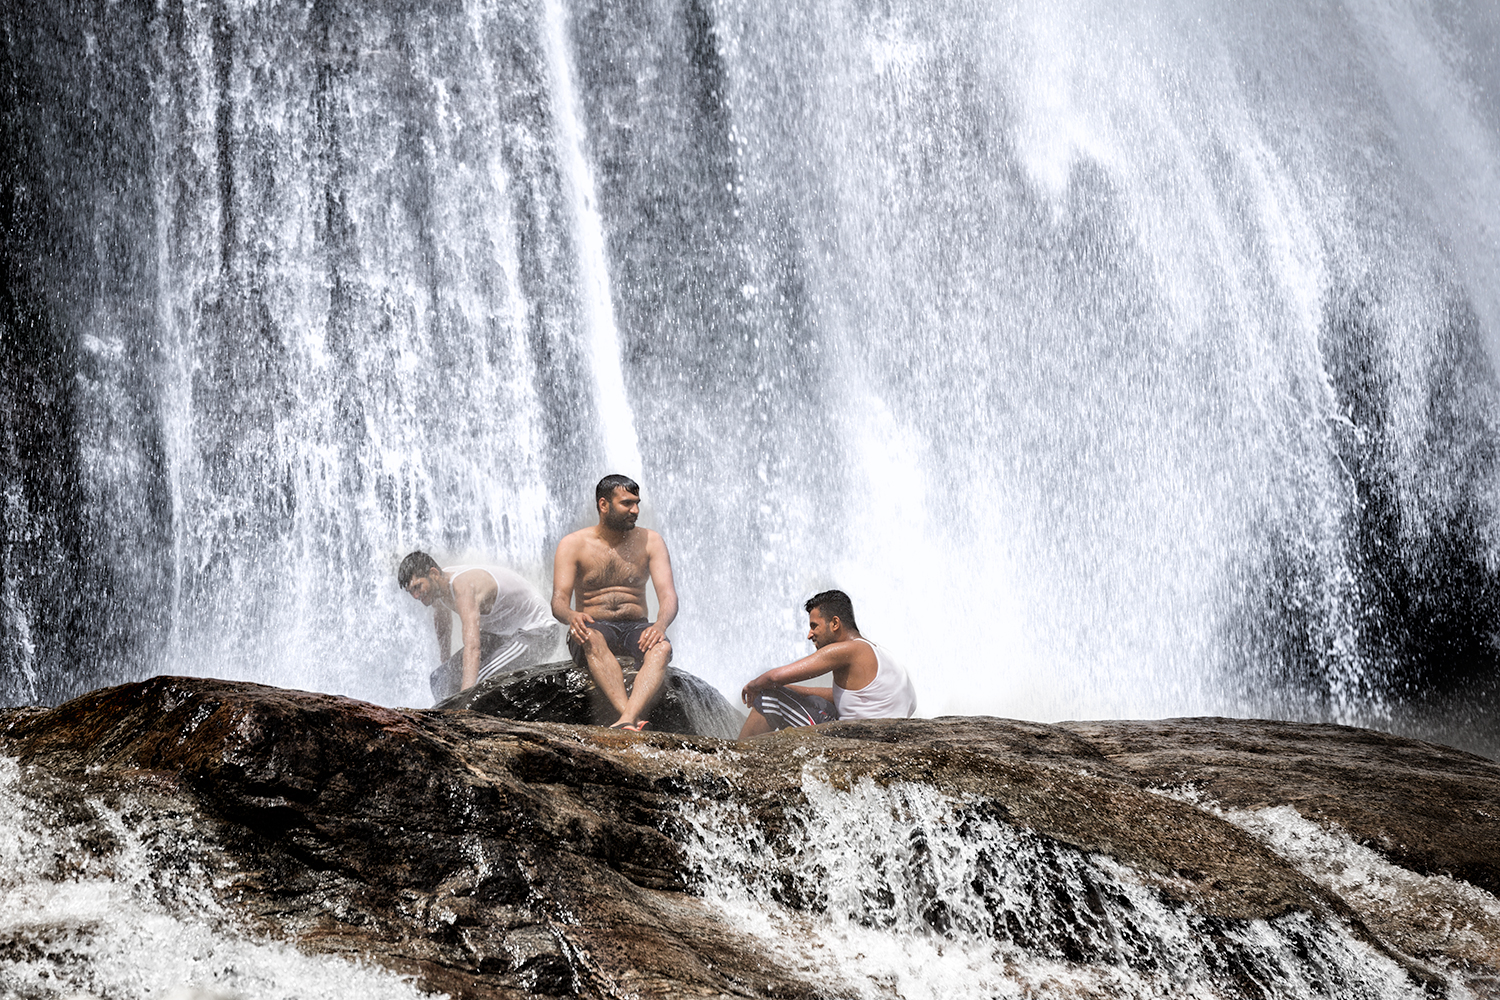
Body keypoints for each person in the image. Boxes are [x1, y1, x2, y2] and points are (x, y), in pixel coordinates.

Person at [551, 474, 678, 730]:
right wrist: (571, 616)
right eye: (627, 504)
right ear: (603, 505)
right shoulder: (573, 544)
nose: (636, 510)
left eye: (637, 503)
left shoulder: (650, 541)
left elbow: (668, 596)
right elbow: (558, 601)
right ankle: (628, 715)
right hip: (594, 625)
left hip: (636, 626)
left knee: (662, 648)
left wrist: (660, 627)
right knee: (591, 636)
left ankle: (627, 719)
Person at [738, 589, 917, 739]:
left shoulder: (848, 650)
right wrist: (792, 689)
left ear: (835, 623)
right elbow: (845, 698)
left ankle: (734, 764)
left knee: (769, 697)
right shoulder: (880, 654)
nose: (809, 634)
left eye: (814, 626)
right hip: (886, 739)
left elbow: (774, 677)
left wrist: (754, 686)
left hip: (854, 744)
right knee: (817, 702)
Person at [399, 551, 564, 702]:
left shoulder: (462, 586)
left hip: (538, 632)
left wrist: (464, 701)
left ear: (433, 573)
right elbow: (442, 622)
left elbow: (473, 647)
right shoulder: (437, 588)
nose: (415, 596)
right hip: (501, 635)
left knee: (478, 683)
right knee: (440, 678)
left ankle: (468, 722)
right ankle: (447, 724)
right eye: (410, 591)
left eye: (417, 587)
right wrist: (446, 661)